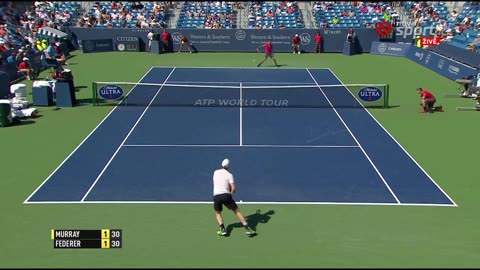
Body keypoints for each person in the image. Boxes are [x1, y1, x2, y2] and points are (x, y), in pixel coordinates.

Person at [212, 159, 256, 236]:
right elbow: (233, 188)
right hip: (226, 195)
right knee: (236, 211)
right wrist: (230, 194)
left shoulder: (215, 172)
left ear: (221, 165)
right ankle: (247, 228)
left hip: (216, 196)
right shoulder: (230, 175)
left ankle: (222, 229)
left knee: (218, 212)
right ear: (228, 166)